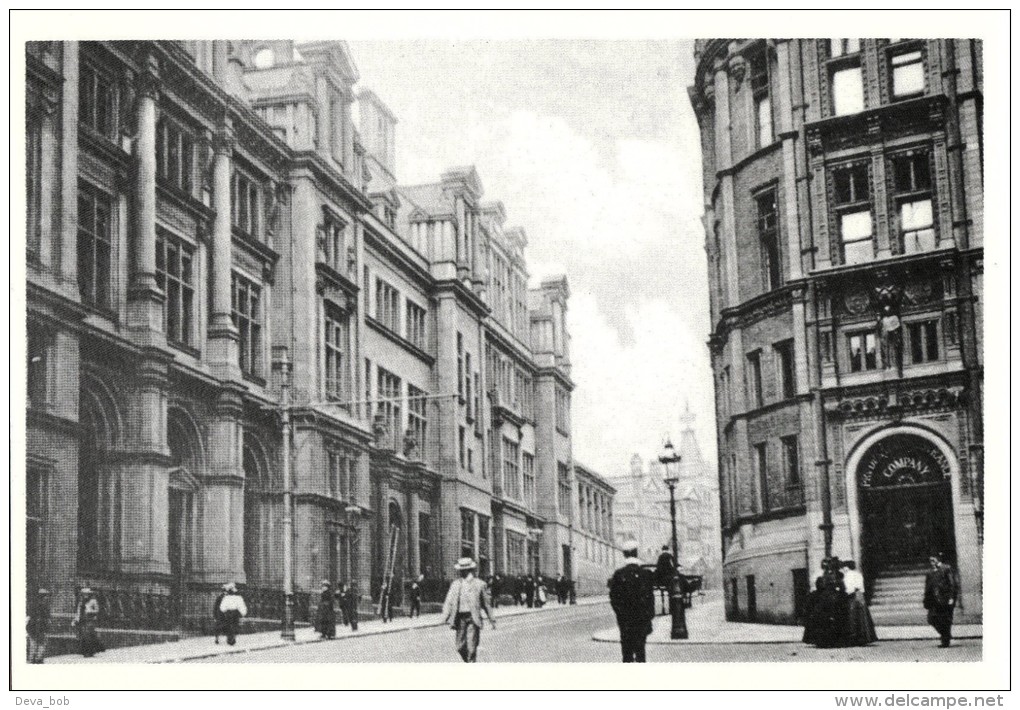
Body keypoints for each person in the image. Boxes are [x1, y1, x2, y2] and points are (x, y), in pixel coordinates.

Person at [608, 540, 655, 663]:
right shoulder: (645, 574)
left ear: (624, 554)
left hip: (625, 622)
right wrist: (648, 616)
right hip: (641, 620)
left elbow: (614, 599)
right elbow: (650, 598)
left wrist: (620, 614)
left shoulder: (619, 575)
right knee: (641, 653)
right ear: (636, 553)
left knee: (627, 654)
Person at [441, 557, 495, 662]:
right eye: (460, 569)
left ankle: (471, 663)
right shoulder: (456, 584)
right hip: (460, 619)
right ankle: (469, 661)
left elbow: (486, 605)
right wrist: (445, 617)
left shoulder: (479, 584)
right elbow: (449, 602)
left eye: (463, 569)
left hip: (472, 619)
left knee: (471, 647)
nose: (461, 572)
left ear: (469, 570)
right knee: (460, 646)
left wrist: (492, 620)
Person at [924, 553, 961, 648]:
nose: (932, 563)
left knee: (945, 620)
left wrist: (951, 598)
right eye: (930, 561)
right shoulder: (930, 572)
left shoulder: (946, 568)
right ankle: (946, 635)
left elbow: (953, 584)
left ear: (938, 559)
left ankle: (945, 641)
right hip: (934, 600)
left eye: (933, 560)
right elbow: (927, 587)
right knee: (931, 619)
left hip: (945, 599)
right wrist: (926, 599)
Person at [842, 561, 877, 646]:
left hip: (853, 596)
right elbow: (861, 587)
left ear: (847, 567)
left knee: (853, 617)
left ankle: (854, 638)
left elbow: (849, 588)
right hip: (860, 596)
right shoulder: (858, 574)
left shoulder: (848, 575)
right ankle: (864, 637)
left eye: (844, 567)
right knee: (862, 616)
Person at [73, 587, 105, 657]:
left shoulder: (93, 601)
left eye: (86, 594)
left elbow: (97, 610)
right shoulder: (81, 602)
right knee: (83, 636)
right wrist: (76, 619)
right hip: (82, 620)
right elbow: (78, 612)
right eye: (84, 594)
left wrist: (90, 611)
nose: (85, 595)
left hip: (90, 619)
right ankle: (85, 651)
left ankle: (91, 651)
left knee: (89, 635)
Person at [26, 588, 51, 664]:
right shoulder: (44, 606)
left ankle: (33, 659)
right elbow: (46, 617)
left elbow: (29, 615)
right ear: (43, 596)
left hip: (32, 627)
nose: (48, 597)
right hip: (39, 628)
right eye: (47, 596)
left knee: (33, 645)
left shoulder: (33, 604)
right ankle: (38, 659)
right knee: (41, 644)